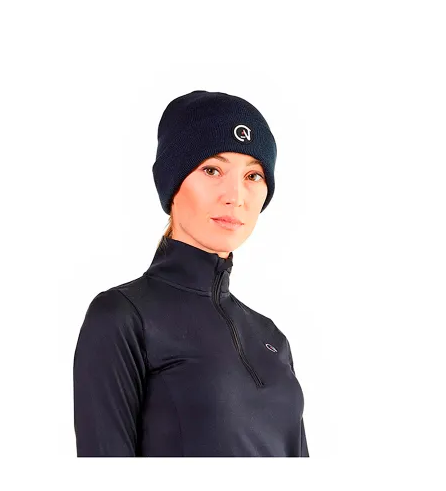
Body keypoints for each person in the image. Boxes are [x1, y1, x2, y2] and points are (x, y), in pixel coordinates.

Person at [73, 89, 309, 457]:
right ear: (173, 182)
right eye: (212, 170)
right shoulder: (123, 317)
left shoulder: (271, 338)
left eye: (253, 175)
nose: (235, 196)